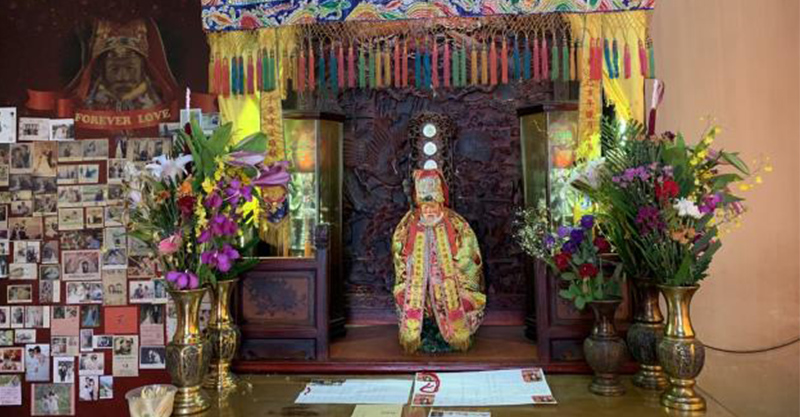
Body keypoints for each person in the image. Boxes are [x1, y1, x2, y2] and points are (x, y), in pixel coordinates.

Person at [392, 169, 486, 353]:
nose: (429, 211)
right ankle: (422, 330)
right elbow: (399, 251)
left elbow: (469, 253)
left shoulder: (456, 223)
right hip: (417, 281)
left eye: (433, 206)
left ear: (440, 203)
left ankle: (451, 333)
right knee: (407, 296)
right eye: (425, 207)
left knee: (462, 299)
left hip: (451, 281)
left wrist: (456, 266)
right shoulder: (409, 222)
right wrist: (410, 262)